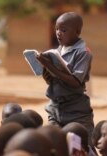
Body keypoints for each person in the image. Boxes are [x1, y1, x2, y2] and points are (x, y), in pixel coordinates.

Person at [36, 11, 94, 147]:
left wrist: (49, 66)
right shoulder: (58, 51)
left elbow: (75, 81)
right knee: (54, 145)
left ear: (77, 31)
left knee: (82, 147)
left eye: (63, 30)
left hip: (76, 111)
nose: (58, 33)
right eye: (56, 29)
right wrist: (45, 70)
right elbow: (52, 81)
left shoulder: (83, 53)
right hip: (55, 108)